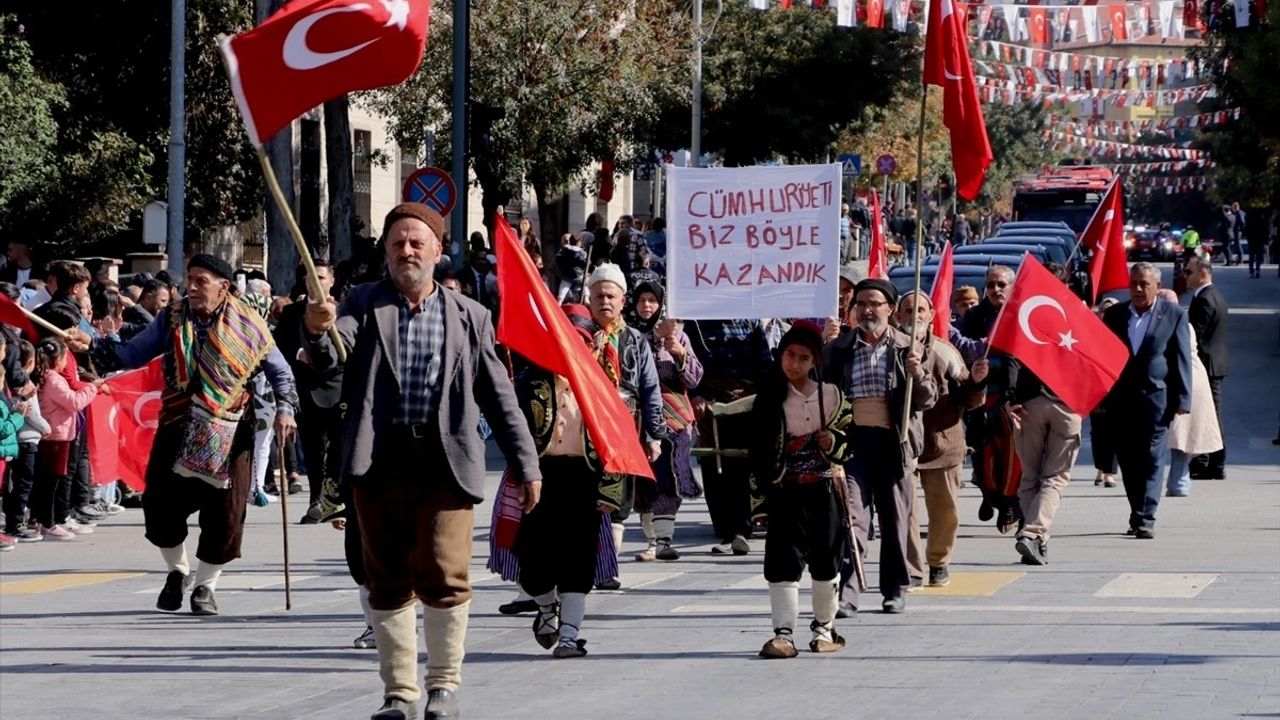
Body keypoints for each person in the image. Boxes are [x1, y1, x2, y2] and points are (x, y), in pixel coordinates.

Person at [302, 203, 542, 720]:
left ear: (438, 250)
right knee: (385, 577)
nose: (406, 251)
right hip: (380, 460)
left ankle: (443, 685)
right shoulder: (363, 304)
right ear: (386, 253)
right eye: (396, 244)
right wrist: (317, 329)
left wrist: (527, 465)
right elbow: (328, 363)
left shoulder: (471, 317)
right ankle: (399, 692)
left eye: (416, 242)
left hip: (446, 463)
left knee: (445, 570)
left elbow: (500, 397)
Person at [75, 254, 298, 613]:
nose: (191, 287)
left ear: (224, 287)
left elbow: (281, 373)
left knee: (225, 513)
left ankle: (205, 587)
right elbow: (132, 355)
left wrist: (285, 410)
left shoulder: (251, 325)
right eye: (189, 280)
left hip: (230, 430)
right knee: (159, 505)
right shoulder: (172, 317)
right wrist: (91, 346)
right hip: (177, 424)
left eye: (200, 281)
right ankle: (177, 571)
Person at [514, 303, 633, 658]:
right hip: (540, 475)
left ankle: (569, 635)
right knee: (532, 559)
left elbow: (617, 440)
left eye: (578, 341)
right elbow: (513, 430)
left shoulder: (600, 383)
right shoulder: (530, 380)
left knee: (577, 557)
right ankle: (546, 607)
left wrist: (611, 489)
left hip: (584, 478)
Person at [826, 278, 936, 615]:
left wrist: (917, 375)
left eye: (875, 303)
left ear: (890, 309)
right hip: (853, 444)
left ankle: (894, 589)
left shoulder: (908, 348)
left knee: (895, 520)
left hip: (893, 443)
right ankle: (848, 592)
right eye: (861, 304)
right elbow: (825, 394)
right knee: (852, 519)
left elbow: (927, 400)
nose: (868, 310)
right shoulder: (839, 348)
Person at [748, 321, 853, 658]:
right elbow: (758, 455)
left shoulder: (832, 396)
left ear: (814, 362)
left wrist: (833, 440)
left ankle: (824, 628)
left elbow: (852, 441)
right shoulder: (768, 399)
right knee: (782, 562)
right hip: (785, 491)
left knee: (827, 561)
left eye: (803, 358)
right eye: (789, 355)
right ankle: (783, 634)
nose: (794, 364)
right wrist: (759, 502)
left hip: (825, 490)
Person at [584, 264, 666, 588]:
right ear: (589, 298)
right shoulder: (578, 333)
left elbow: (650, 389)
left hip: (623, 424)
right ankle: (585, 563)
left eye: (611, 296)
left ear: (622, 301)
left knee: (618, 500)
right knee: (585, 497)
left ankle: (607, 568)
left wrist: (654, 436)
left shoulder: (634, 340)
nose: (605, 301)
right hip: (584, 426)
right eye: (598, 295)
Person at [897, 292, 986, 587]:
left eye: (920, 309)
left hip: (942, 443)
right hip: (903, 445)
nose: (914, 315)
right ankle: (912, 567)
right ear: (898, 316)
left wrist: (976, 380)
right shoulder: (888, 350)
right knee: (905, 512)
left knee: (945, 511)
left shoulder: (946, 352)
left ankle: (938, 562)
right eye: (908, 310)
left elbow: (969, 400)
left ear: (932, 314)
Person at [1100, 263, 1191, 539]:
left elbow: (1181, 358)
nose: (1138, 289)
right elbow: (1103, 358)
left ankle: (1146, 518)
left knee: (1151, 458)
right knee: (1128, 459)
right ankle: (1136, 511)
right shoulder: (1115, 315)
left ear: (1157, 287)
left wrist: (1183, 398)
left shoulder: (1173, 314)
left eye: (1144, 284)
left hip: (1157, 400)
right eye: (1134, 283)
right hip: (1121, 401)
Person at [626, 281, 703, 562]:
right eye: (641, 300)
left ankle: (664, 540)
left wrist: (680, 355)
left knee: (666, 476)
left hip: (674, 421)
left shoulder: (679, 336)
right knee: (642, 481)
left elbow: (694, 379)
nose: (647, 305)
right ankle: (650, 541)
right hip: (637, 418)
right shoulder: (627, 335)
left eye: (652, 301)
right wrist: (652, 341)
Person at [274, 260, 346, 522]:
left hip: (339, 390)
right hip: (306, 390)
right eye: (309, 277)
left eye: (320, 277)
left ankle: (336, 497)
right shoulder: (293, 313)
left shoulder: (344, 310)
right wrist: (298, 354)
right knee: (313, 449)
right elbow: (278, 349)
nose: (314, 281)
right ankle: (317, 500)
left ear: (331, 280)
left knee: (339, 449)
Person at [1156, 289, 1222, 497]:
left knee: (1176, 436)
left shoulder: (1170, 324)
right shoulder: (1186, 324)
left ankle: (1176, 483)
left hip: (1182, 381)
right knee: (1182, 438)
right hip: (1192, 379)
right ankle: (1178, 482)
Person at [1182, 256, 1228, 480]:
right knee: (1208, 414)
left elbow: (1195, 336)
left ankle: (1215, 464)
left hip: (1206, 365)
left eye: (1189, 272)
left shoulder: (1206, 299)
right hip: (1212, 363)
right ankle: (1206, 461)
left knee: (1210, 416)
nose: (1185, 276)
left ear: (1203, 273)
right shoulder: (1211, 295)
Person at [1091, 297, 1121, 489]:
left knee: (1113, 432)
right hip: (1096, 391)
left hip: (1117, 392)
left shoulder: (1122, 333)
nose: (1107, 314)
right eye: (1104, 310)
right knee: (1098, 433)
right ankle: (1101, 468)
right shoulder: (1092, 334)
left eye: (1111, 310)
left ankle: (1109, 473)